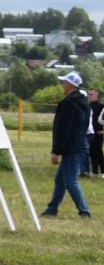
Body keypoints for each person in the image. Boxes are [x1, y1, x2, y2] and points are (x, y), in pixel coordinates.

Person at [42, 71, 93, 218]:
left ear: (71, 85)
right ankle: (51, 209)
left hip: (71, 147)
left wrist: (56, 151)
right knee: (60, 180)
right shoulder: (84, 103)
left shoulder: (67, 103)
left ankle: (85, 212)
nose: (62, 85)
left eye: (64, 82)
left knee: (70, 181)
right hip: (79, 144)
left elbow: (62, 129)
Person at [89, 88, 103, 178]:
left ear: (96, 95)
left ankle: (103, 171)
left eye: (91, 94)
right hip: (90, 132)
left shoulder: (101, 106)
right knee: (91, 152)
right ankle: (94, 171)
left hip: (99, 133)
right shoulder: (87, 105)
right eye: (88, 94)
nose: (89, 96)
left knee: (98, 152)